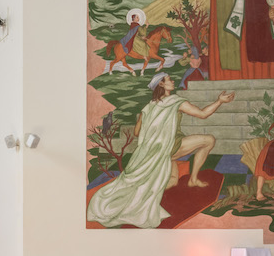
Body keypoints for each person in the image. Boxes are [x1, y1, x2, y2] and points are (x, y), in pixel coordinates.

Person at [87, 74, 235, 229]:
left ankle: (140, 195)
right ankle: (193, 179)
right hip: (171, 146)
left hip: (153, 151)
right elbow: (203, 114)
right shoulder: (175, 102)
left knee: (172, 181)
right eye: (169, 79)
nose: (173, 81)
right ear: (162, 85)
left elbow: (137, 132)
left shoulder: (148, 107)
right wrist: (219, 101)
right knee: (209, 140)